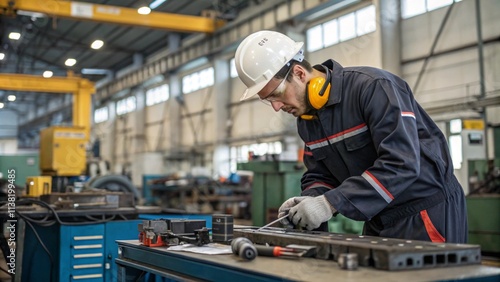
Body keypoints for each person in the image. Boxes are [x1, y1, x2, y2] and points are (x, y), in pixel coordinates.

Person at [234, 30, 468, 243]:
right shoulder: (308, 121)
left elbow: (402, 163)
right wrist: (310, 200)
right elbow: (320, 174)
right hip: (379, 217)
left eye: (276, 94)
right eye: (267, 100)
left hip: (424, 213)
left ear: (298, 72)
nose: (275, 107)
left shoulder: (373, 88)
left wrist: (330, 203)